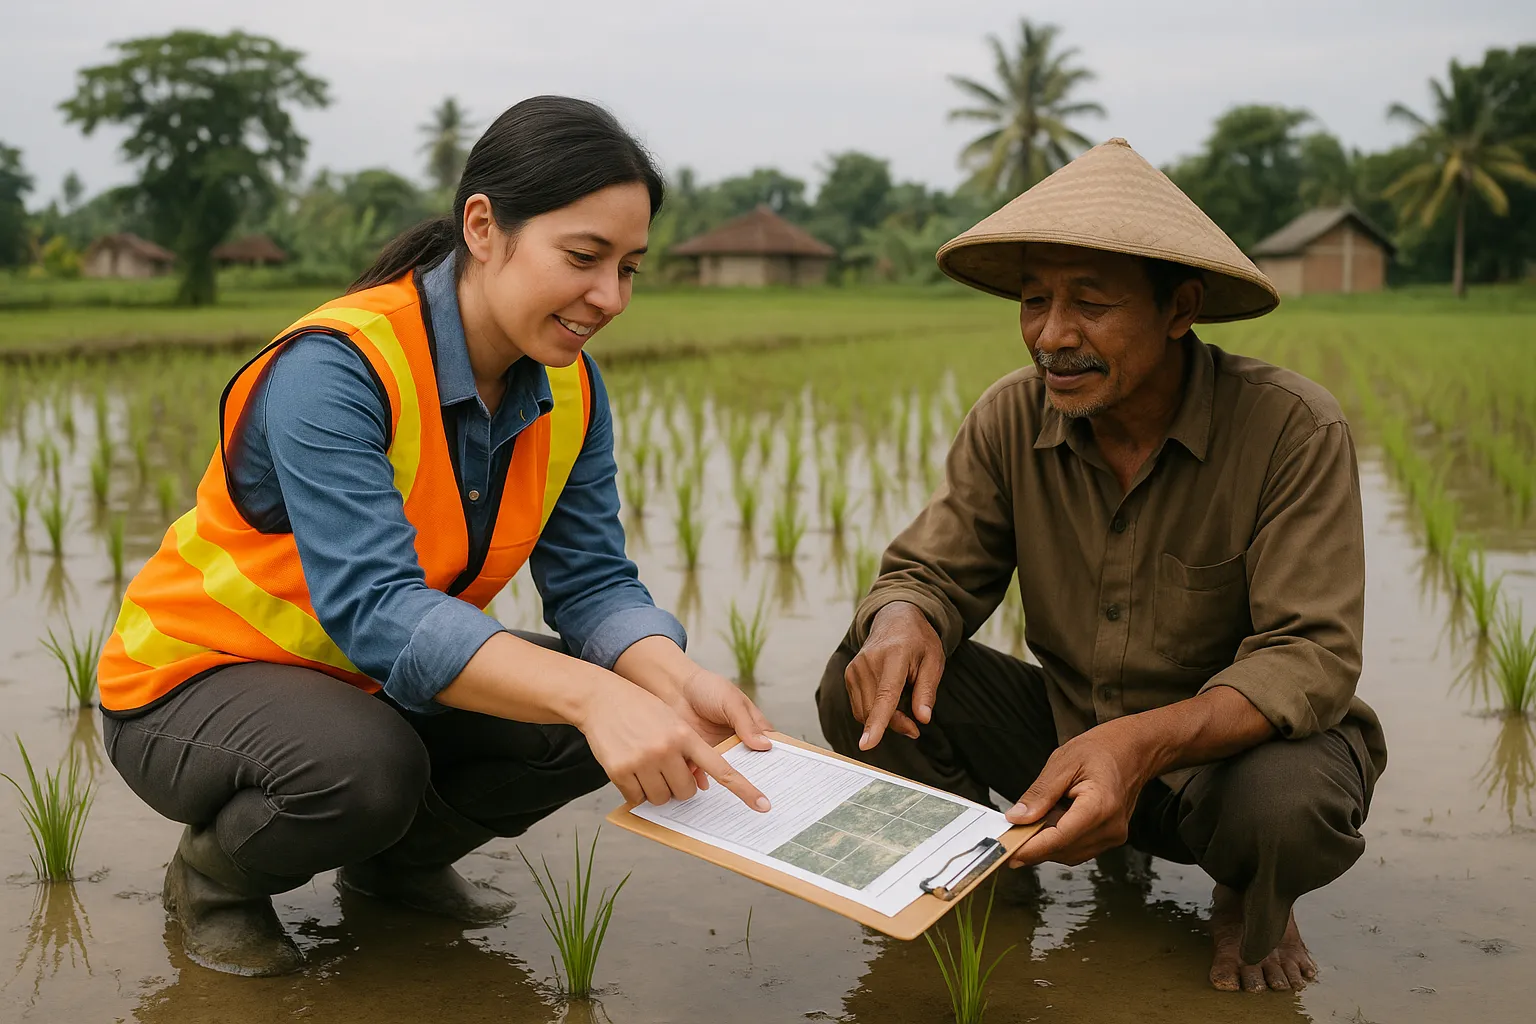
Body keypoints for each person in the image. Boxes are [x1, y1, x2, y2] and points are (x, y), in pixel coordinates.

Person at [96, 96, 773, 978]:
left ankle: (392, 867)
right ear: (484, 228)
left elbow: (594, 584)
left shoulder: (569, 389)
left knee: (590, 708)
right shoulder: (336, 369)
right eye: (583, 257)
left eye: (631, 268)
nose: (609, 297)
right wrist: (596, 696)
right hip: (191, 685)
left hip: (365, 682)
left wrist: (673, 680)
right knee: (372, 767)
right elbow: (379, 609)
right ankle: (215, 883)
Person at [817, 138, 1387, 994]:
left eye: (1090, 303)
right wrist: (902, 620)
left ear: (1180, 308)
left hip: (1225, 764)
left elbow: (1310, 656)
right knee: (860, 682)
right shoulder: (1011, 418)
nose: (1051, 335)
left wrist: (1135, 744)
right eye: (1035, 300)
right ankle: (983, 880)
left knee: (1285, 810)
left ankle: (1251, 897)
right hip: (1067, 735)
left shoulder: (1290, 428)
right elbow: (930, 572)